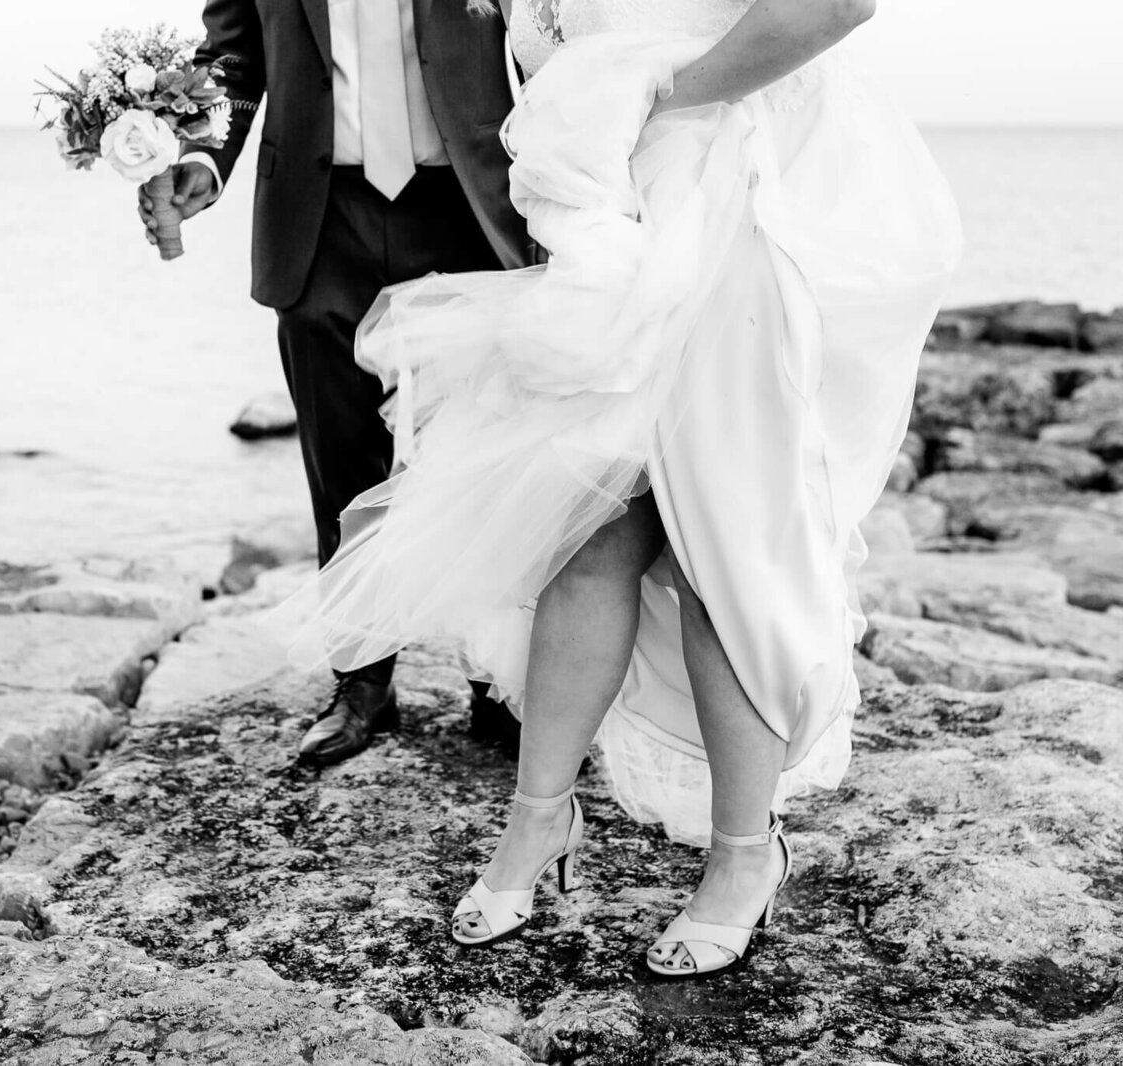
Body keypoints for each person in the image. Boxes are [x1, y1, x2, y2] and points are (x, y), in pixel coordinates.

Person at [285, 0, 961, 976]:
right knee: (588, 526)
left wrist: (655, 89)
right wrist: (588, 116)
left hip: (735, 198)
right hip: (614, 207)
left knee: (713, 541)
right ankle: (537, 825)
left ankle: (743, 855)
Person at [138, 0, 537, 764]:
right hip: (319, 215)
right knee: (340, 460)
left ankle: (500, 677)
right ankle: (363, 685)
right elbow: (233, 59)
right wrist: (202, 159)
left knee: (487, 456)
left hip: (472, 205)